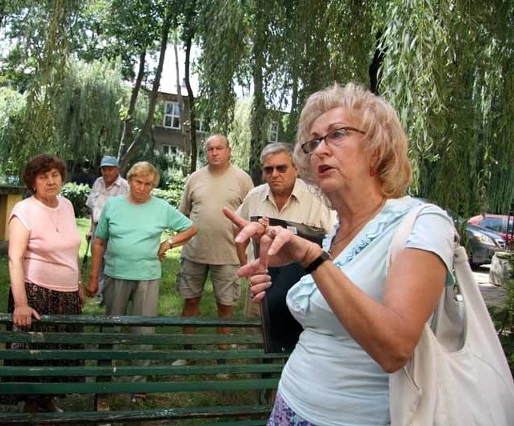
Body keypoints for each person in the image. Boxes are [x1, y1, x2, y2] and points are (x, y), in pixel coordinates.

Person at [224, 83, 455, 425]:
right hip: (290, 405)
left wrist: (313, 259)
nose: (319, 150)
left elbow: (394, 349)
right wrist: (280, 277)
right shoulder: (335, 232)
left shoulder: (422, 222)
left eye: (337, 134)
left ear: (376, 149)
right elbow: (327, 319)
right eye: (314, 142)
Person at [87, 161, 197, 403]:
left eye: (148, 184)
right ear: (130, 180)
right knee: (110, 329)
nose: (143, 188)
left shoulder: (161, 207)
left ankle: (138, 384)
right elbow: (98, 242)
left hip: (147, 276)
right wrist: (94, 277)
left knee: (143, 331)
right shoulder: (113, 206)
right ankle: (105, 379)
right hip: (115, 274)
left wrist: (168, 243)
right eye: (138, 182)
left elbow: (190, 228)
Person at [4, 154, 84, 413]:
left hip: (67, 295)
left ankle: (48, 400)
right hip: (36, 294)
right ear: (32, 182)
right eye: (43, 177)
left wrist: (79, 283)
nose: (51, 181)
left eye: (55, 175)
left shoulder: (68, 205)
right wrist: (21, 304)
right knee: (34, 354)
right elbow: (14, 259)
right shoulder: (24, 210)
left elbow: (72, 249)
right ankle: (31, 406)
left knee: (59, 353)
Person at [173, 134, 253, 366]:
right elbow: (183, 214)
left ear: (229, 151)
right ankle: (186, 354)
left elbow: (251, 217)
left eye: (219, 148)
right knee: (190, 302)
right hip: (194, 252)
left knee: (225, 307)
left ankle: (222, 358)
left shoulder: (242, 179)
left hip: (228, 255)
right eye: (210, 149)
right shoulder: (195, 178)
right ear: (205, 152)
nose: (215, 153)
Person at [236, 142, 334, 320]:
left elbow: (335, 241)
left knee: (297, 343)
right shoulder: (254, 197)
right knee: (253, 340)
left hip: (303, 292)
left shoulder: (317, 198)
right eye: (268, 169)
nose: (274, 174)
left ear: (296, 169)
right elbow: (240, 232)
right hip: (260, 289)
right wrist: (245, 265)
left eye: (281, 168)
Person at [85, 155, 130, 303]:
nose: (106, 173)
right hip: (98, 227)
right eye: (104, 169)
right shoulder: (98, 182)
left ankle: (109, 295)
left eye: (110, 169)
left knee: (110, 262)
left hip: (114, 229)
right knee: (97, 263)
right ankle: (99, 293)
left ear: (117, 170)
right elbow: (93, 207)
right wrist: (91, 229)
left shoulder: (125, 186)